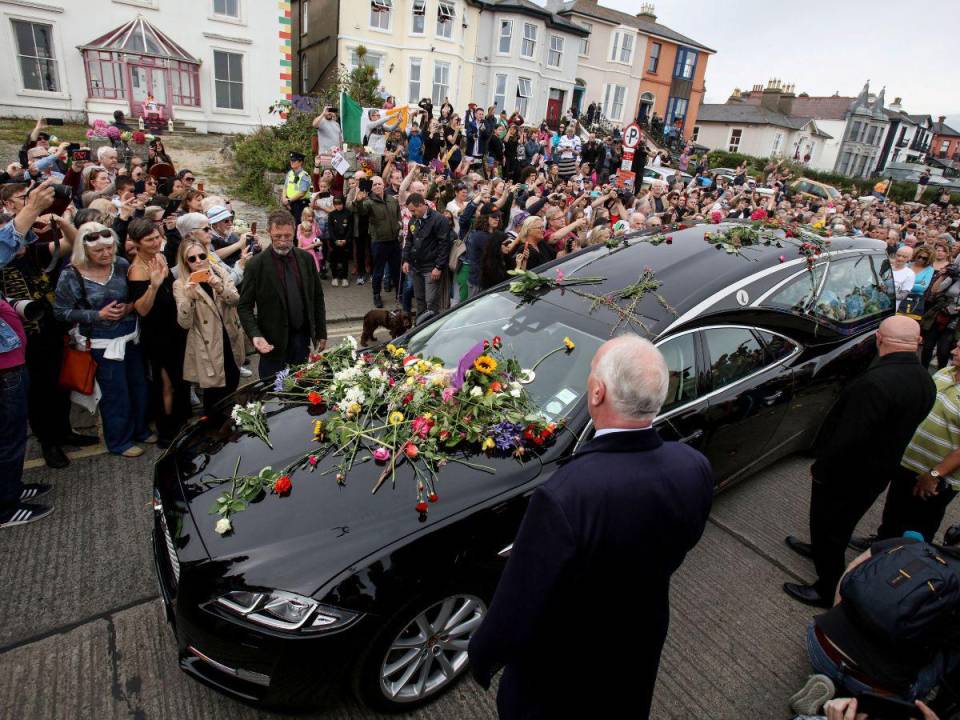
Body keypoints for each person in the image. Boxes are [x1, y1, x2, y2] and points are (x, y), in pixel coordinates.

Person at [468, 335, 714, 719]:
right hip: (637, 647)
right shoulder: (693, 465)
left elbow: (520, 600)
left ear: (597, 393)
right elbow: (685, 538)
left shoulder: (567, 495)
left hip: (562, 676)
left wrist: (482, 657)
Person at [784, 316, 937, 607]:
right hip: (880, 471)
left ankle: (827, 587)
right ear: (916, 343)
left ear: (879, 339)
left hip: (847, 474)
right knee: (842, 524)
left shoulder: (876, 383)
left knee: (828, 525)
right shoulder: (925, 381)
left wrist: (821, 469)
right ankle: (819, 549)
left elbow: (848, 438)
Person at [53, 223, 152, 458]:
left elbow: (134, 298)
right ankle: (119, 441)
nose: (106, 254)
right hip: (100, 343)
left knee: (139, 386)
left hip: (130, 338)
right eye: (99, 251)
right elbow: (60, 312)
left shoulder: (121, 265)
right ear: (84, 250)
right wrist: (97, 315)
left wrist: (128, 308)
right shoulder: (71, 274)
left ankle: (141, 429)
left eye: (109, 248)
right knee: (115, 394)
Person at [238, 210, 327, 380]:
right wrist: (255, 335)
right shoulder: (256, 265)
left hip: (301, 339)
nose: (283, 241)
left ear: (294, 232)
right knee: (272, 393)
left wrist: (321, 332)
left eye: (288, 236)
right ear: (269, 232)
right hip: (271, 343)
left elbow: (317, 297)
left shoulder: (306, 259)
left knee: (300, 387)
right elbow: (244, 307)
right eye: (278, 236)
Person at [126, 218, 191, 448]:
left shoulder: (160, 257)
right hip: (157, 335)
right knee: (166, 384)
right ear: (136, 243)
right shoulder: (137, 270)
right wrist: (153, 285)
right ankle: (167, 430)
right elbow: (142, 309)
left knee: (182, 380)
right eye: (149, 240)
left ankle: (182, 421)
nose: (155, 242)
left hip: (175, 330)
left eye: (157, 237)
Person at [173, 239, 245, 417]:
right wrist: (188, 300)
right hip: (208, 345)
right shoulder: (181, 284)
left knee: (233, 381)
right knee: (214, 393)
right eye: (192, 258)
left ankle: (231, 428)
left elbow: (236, 300)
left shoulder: (220, 273)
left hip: (229, 337)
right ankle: (215, 432)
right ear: (185, 262)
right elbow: (184, 323)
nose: (198, 261)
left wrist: (219, 287)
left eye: (202, 255)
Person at [349, 174, 400, 309]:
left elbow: (398, 216)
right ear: (371, 187)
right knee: (378, 271)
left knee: (396, 271)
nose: (377, 186)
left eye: (379, 183)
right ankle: (376, 295)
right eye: (374, 184)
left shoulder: (392, 200)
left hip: (394, 242)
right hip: (379, 243)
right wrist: (358, 201)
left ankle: (399, 294)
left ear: (384, 185)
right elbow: (361, 211)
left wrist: (398, 227)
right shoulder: (368, 202)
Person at [403, 193, 451, 315]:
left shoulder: (439, 219)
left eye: (413, 210)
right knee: (420, 300)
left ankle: (431, 328)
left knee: (431, 302)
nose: (412, 214)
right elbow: (409, 241)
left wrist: (438, 267)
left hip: (431, 268)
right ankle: (420, 327)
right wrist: (406, 260)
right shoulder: (414, 220)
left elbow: (444, 245)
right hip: (416, 267)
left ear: (421, 205)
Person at [327, 195, 352, 287]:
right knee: (334, 260)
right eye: (336, 204)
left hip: (345, 241)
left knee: (345, 260)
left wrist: (345, 239)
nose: (338, 206)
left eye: (340, 204)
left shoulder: (348, 213)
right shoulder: (331, 214)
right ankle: (334, 277)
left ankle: (345, 278)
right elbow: (330, 229)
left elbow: (350, 228)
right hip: (334, 242)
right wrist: (335, 240)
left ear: (343, 203)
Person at [282, 151, 311, 224]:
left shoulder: (304, 175)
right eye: (291, 160)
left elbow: (302, 193)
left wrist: (289, 201)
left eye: (294, 160)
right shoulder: (290, 173)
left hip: (299, 205)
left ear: (300, 162)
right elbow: (285, 187)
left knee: (297, 226)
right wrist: (284, 199)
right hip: (289, 203)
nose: (292, 162)